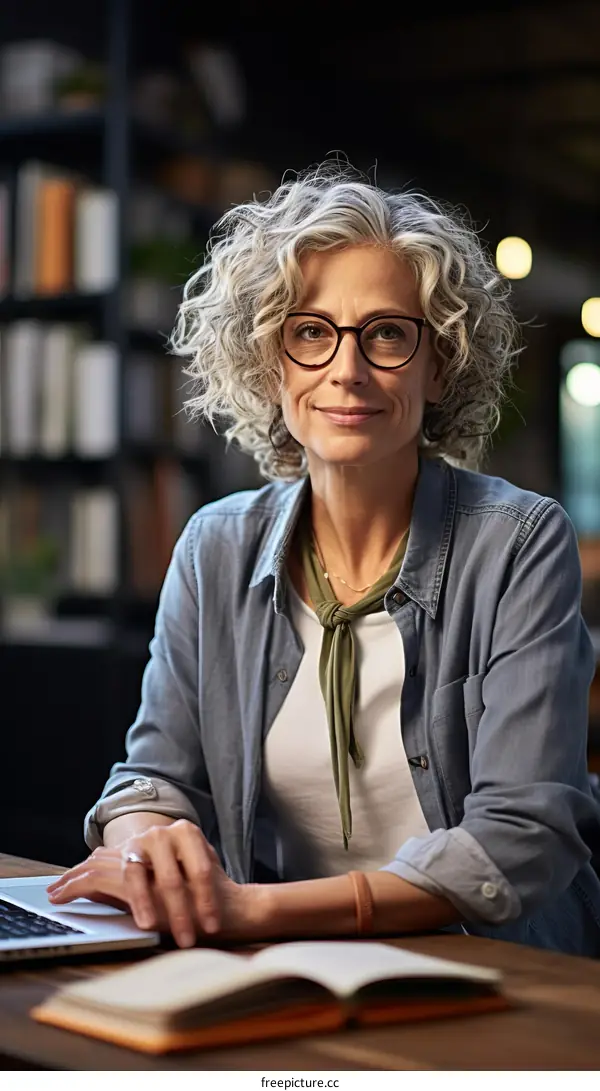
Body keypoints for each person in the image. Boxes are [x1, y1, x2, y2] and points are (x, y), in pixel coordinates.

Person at [48, 161, 600, 956]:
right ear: (271, 365)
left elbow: (522, 839)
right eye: (310, 332)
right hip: (283, 972)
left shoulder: (519, 543)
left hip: (499, 968)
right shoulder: (214, 546)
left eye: (386, 333)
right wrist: (144, 833)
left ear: (438, 362)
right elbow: (154, 775)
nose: (346, 368)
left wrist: (256, 913)